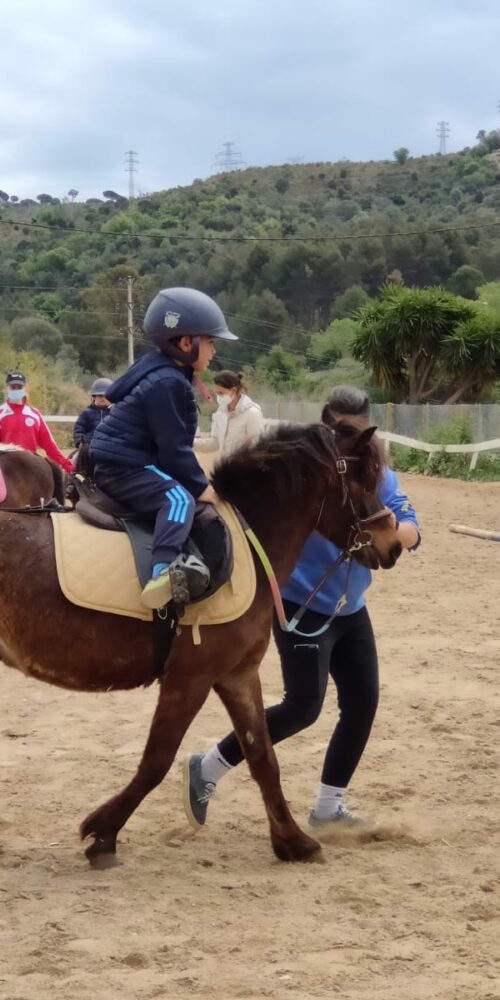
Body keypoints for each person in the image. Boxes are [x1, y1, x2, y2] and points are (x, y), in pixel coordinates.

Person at [183, 385, 421, 829]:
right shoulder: (297, 472)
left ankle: (329, 806)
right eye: (340, 431)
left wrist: (390, 530)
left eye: (355, 432)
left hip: (350, 607)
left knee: (363, 702)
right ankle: (208, 766)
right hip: (300, 604)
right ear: (325, 426)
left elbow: (409, 526)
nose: (347, 441)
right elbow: (236, 490)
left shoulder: (374, 474)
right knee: (303, 706)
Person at [90, 287, 238, 610]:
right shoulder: (167, 382)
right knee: (179, 500)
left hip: (127, 461)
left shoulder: (161, 371)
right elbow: (173, 451)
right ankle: (162, 572)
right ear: (186, 343)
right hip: (126, 466)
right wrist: (203, 488)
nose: (213, 351)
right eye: (210, 342)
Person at [0, 371, 73, 472]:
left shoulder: (35, 414)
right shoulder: (1, 413)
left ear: (24, 388)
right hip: (6, 470)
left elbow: (50, 445)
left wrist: (67, 465)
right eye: (13, 387)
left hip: (30, 468)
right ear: (7, 388)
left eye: (19, 387)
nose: (16, 390)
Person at [195, 370, 264, 456]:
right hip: (226, 463)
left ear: (233, 391)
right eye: (217, 393)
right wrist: (191, 443)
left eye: (221, 393)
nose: (218, 396)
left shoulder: (252, 414)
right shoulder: (220, 413)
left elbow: (257, 448)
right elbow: (216, 442)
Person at [73, 378, 113, 447]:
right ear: (94, 397)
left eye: (106, 396)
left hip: (110, 447)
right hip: (89, 447)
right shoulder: (86, 413)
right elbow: (79, 430)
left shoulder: (115, 413)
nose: (103, 398)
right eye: (100, 395)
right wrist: (80, 442)